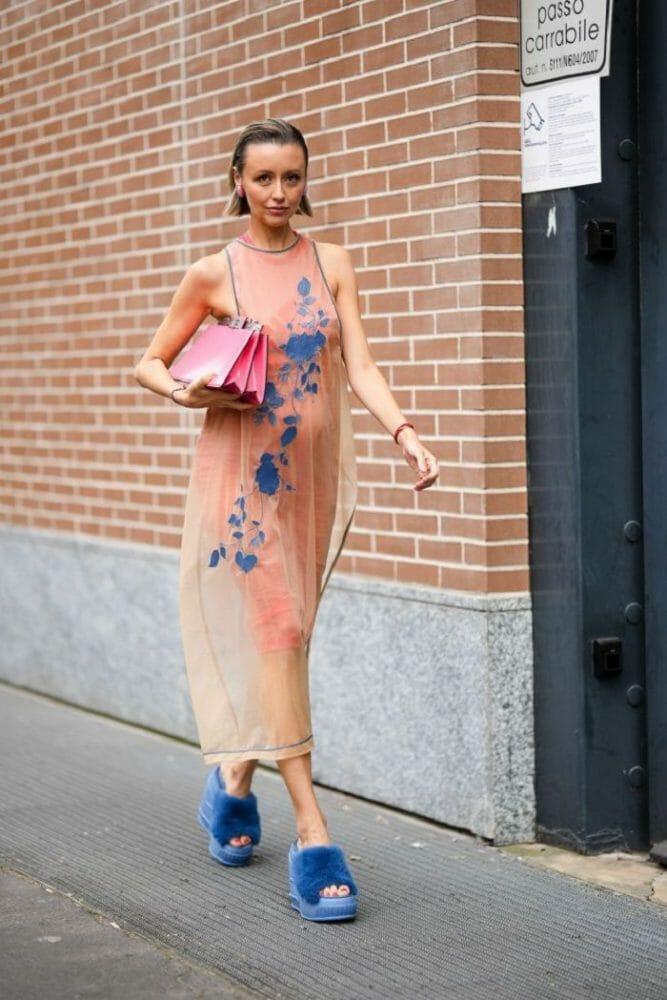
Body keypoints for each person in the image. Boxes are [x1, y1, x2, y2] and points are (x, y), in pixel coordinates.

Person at [134, 117, 439, 921]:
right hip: (241, 483)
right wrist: (184, 394)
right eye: (263, 178)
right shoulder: (213, 272)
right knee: (279, 628)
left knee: (288, 637)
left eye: (291, 177)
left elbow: (358, 364)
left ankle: (233, 781)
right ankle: (312, 833)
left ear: (305, 182)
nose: (278, 192)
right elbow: (149, 361)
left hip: (310, 482)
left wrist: (405, 434)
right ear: (237, 181)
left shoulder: (331, 262)